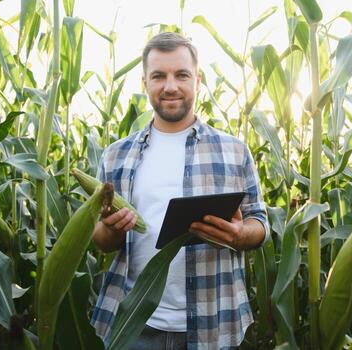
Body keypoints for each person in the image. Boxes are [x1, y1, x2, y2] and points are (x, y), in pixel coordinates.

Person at [90, 32, 268, 350]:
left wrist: (240, 234)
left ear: (197, 80)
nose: (170, 86)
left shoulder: (234, 151)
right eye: (159, 75)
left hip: (214, 323)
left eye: (181, 75)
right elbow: (101, 240)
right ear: (145, 81)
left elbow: (260, 223)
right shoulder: (115, 156)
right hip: (134, 323)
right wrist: (110, 231)